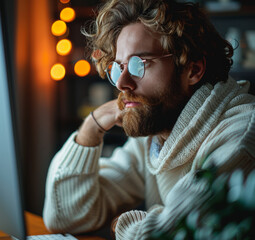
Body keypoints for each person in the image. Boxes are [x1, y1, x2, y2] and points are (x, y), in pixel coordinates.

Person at [43, 0, 255, 239]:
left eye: (138, 64)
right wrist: (93, 124)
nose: (122, 83)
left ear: (193, 70)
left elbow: (167, 234)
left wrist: (119, 224)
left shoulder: (240, 133)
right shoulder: (157, 133)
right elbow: (64, 216)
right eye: (118, 67)